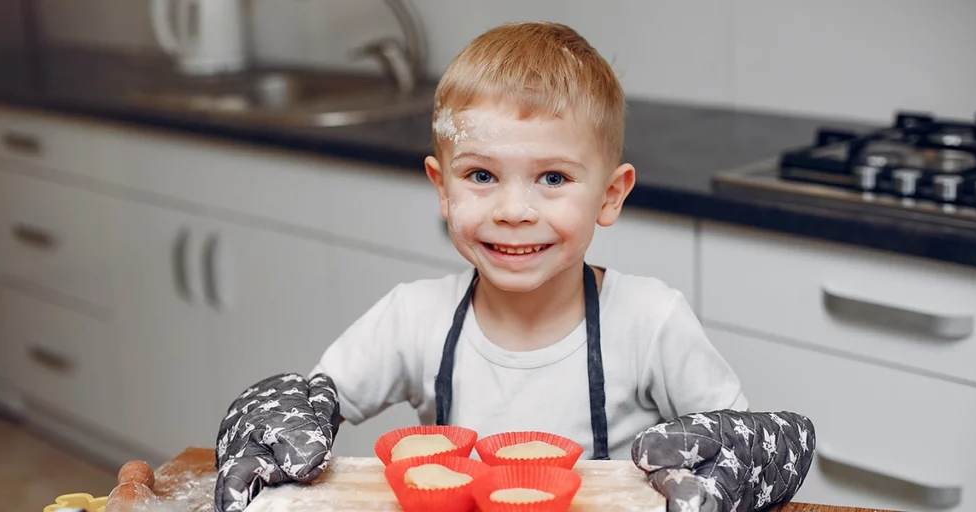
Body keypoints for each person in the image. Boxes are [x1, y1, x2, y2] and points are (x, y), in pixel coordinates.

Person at [213, 22, 815, 512]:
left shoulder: (651, 322)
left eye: (553, 178)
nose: (513, 211)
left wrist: (728, 468)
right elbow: (311, 401)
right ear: (442, 189)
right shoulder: (413, 318)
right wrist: (268, 426)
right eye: (480, 176)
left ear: (610, 195)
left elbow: (747, 446)